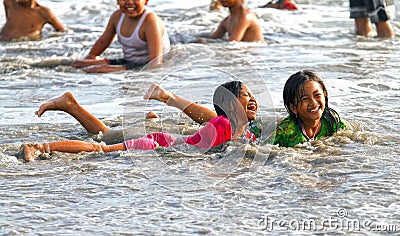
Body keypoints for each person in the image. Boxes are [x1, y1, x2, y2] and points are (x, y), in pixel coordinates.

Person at [19, 81, 259, 162]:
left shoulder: (244, 131)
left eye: (253, 95)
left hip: (164, 141)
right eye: (246, 95)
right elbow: (208, 148)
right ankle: (41, 147)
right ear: (229, 104)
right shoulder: (223, 125)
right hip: (156, 143)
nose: (254, 99)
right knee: (100, 147)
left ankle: (69, 107)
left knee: (103, 137)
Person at [72, 0, 171, 73]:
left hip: (144, 65)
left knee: (94, 70)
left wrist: (144, 80)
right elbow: (103, 42)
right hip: (128, 61)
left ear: (146, 1)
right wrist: (89, 58)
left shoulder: (150, 21)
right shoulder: (117, 16)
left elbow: (156, 61)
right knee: (78, 64)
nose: (130, 2)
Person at [273, 70, 349, 147]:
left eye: (317, 95)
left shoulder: (334, 122)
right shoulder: (284, 133)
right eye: (305, 99)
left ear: (324, 94)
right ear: (293, 108)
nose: (313, 103)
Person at [197, 0, 264, 43]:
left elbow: (233, 43)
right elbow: (212, 38)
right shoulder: (226, 21)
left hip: (252, 57)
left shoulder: (246, 17)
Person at [0, 0, 65, 41]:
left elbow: (62, 31)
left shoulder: (43, 12)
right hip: (4, 43)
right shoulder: (9, 3)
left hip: (24, 46)